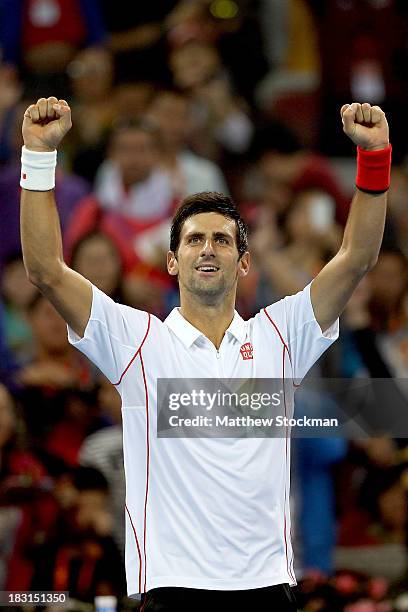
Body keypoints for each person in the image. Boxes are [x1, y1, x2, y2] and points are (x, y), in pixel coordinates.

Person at [19, 96, 391, 611]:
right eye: (195, 240)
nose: (209, 248)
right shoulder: (138, 342)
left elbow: (356, 258)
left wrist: (374, 157)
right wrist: (38, 156)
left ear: (243, 263)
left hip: (267, 589)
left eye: (222, 239)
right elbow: (44, 268)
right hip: (174, 589)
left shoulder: (280, 336)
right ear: (172, 262)